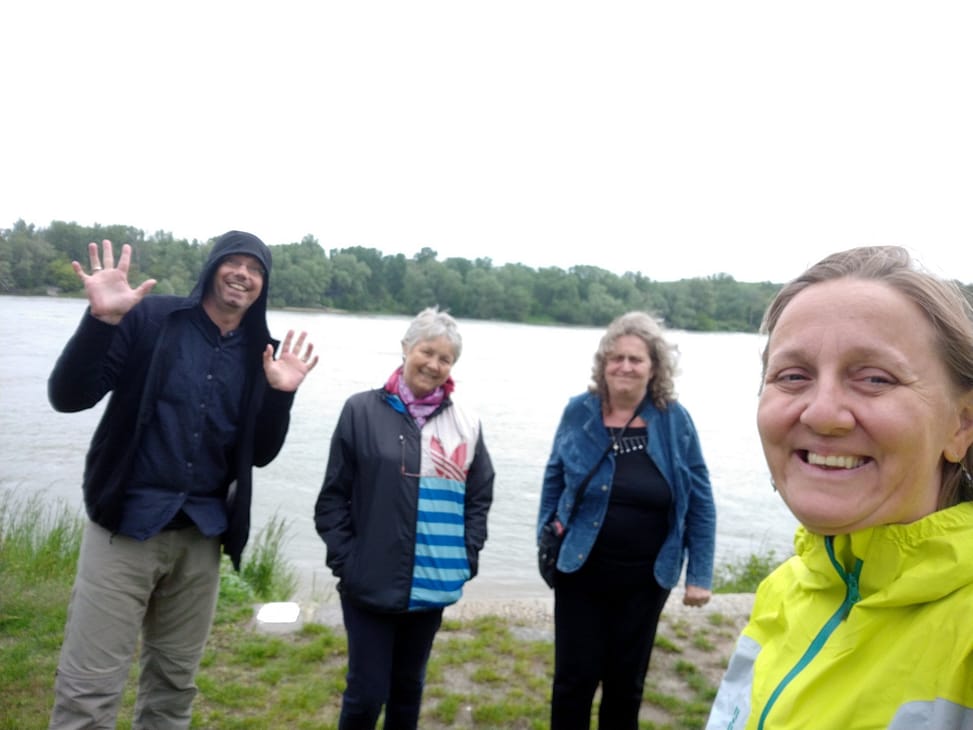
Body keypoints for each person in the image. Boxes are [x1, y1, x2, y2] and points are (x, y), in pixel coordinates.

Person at [47, 231, 318, 729]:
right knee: (88, 691)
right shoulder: (151, 319)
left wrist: (281, 396)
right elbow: (68, 397)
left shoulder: (263, 353)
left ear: (264, 284)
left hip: (200, 538)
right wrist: (101, 322)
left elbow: (259, 455)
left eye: (256, 269)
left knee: (173, 690)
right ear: (212, 267)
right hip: (123, 528)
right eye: (234, 262)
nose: (243, 274)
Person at [706, 246, 973, 729]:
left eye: (874, 379)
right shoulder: (783, 590)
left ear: (962, 425)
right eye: (792, 376)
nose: (822, 413)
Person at [314, 306, 494, 730]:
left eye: (445, 358)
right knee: (365, 695)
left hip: (433, 580)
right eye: (427, 352)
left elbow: (479, 496)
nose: (433, 364)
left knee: (408, 689)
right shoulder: (360, 410)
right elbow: (333, 498)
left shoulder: (466, 422)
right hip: (368, 580)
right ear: (406, 348)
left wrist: (466, 556)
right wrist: (348, 561)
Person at [537, 310, 717, 730]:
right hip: (580, 571)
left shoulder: (674, 420)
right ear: (603, 364)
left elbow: (701, 500)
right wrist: (545, 537)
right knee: (572, 682)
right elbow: (553, 478)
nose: (625, 366)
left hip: (646, 580)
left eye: (636, 359)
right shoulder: (579, 412)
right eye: (616, 357)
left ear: (654, 368)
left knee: (626, 685)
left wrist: (699, 574)